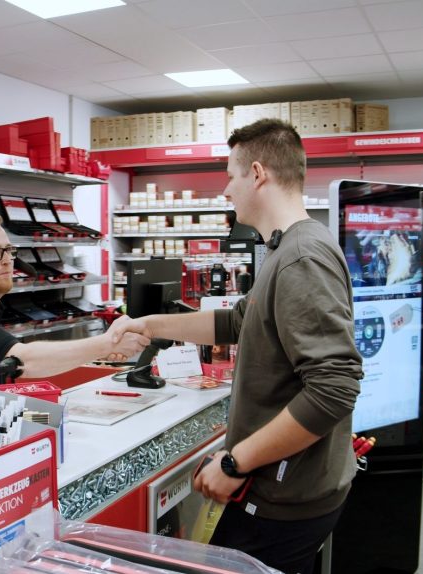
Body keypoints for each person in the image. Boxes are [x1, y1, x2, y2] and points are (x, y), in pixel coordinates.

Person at [109, 119, 363, 574]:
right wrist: (150, 323)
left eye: (231, 175)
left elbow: (334, 388)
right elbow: (237, 321)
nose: (226, 190)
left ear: (259, 174)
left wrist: (234, 461)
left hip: (286, 494)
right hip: (289, 485)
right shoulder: (290, 247)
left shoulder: (301, 258)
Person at [0, 214, 150, 378]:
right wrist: (107, 344)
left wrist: (102, 349)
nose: (8, 260)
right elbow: (23, 362)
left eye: (9, 250)